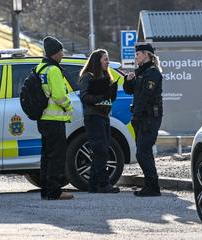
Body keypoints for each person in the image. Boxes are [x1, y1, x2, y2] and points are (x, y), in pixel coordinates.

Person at [36, 36, 74, 200]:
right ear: (54, 53)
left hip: (43, 118)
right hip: (55, 119)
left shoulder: (40, 68)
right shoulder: (54, 70)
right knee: (57, 156)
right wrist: (69, 106)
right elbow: (59, 96)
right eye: (61, 51)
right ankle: (55, 191)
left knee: (46, 156)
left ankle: (46, 189)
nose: (62, 54)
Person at [122, 43, 163, 197]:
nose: (136, 57)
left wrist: (136, 116)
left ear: (146, 55)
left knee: (142, 153)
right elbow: (129, 90)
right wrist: (128, 79)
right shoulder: (141, 73)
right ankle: (151, 185)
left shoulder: (152, 73)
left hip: (149, 118)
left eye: (138, 54)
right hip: (142, 117)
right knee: (144, 152)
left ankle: (152, 186)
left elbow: (146, 96)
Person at [78, 49, 120, 193]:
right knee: (100, 149)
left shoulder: (106, 76)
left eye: (107, 59)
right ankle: (104, 184)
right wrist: (101, 96)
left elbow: (109, 98)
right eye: (105, 59)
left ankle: (93, 185)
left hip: (104, 116)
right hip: (93, 117)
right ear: (97, 61)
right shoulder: (87, 77)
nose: (108, 62)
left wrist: (111, 93)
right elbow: (84, 97)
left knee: (103, 149)